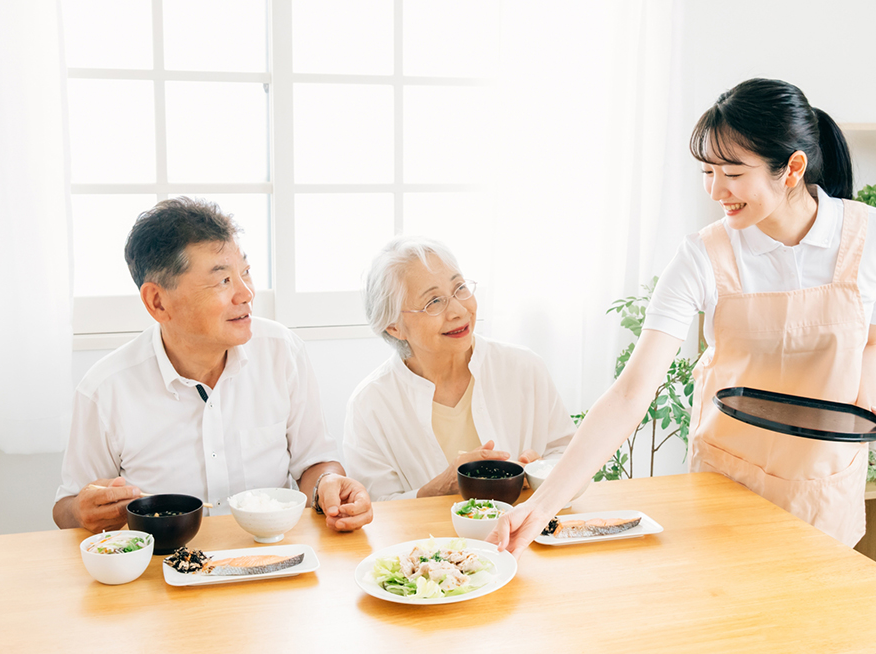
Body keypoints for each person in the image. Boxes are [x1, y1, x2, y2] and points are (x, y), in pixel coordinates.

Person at [490, 78, 876, 555]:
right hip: (727, 480)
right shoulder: (701, 256)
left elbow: (873, 343)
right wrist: (541, 507)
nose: (715, 190)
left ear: (792, 168)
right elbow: (631, 392)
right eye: (707, 172)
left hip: (824, 481)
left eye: (731, 173)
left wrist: (869, 405)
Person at [53, 197, 373, 533]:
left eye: (245, 272)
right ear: (158, 302)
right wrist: (83, 511)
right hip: (163, 570)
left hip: (272, 558)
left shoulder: (282, 351)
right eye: (223, 281)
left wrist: (328, 484)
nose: (246, 293)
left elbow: (315, 464)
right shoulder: (105, 389)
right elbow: (66, 509)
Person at [343, 236, 575, 501]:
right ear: (394, 327)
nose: (458, 310)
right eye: (434, 302)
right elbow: (376, 512)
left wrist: (540, 471)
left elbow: (568, 455)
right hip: (427, 543)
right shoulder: (370, 404)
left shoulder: (524, 368)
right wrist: (440, 487)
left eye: (460, 288)